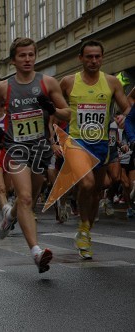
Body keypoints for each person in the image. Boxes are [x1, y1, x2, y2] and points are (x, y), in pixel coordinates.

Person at [0, 37, 71, 273]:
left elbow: (67, 114)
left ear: (35, 56)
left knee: (29, 200)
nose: (27, 59)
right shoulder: (4, 86)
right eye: (22, 55)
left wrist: (52, 109)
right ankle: (36, 251)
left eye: (31, 55)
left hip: (40, 149)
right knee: (24, 197)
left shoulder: (48, 82)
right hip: (16, 147)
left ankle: (8, 217)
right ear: (13, 60)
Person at [60, 39, 131, 260]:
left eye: (97, 56)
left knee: (96, 190)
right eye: (89, 57)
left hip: (101, 145)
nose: (93, 61)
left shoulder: (111, 83)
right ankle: (83, 226)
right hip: (77, 143)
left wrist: (123, 116)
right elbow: (56, 111)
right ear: (80, 58)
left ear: (102, 58)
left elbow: (126, 106)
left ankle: (85, 231)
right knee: (88, 183)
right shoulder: (68, 83)